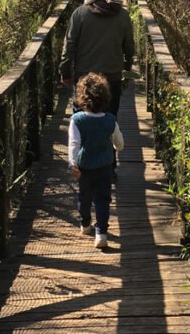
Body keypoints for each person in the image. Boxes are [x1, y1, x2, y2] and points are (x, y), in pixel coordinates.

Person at [59, 0, 135, 177]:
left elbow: (68, 48)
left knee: (82, 121)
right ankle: (108, 168)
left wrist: (65, 73)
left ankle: (84, 169)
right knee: (110, 121)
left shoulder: (79, 14)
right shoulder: (123, 15)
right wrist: (125, 72)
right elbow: (129, 49)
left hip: (85, 81)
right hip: (112, 79)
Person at [68, 73, 125, 249]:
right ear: (106, 98)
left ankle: (85, 224)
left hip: (84, 166)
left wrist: (73, 163)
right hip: (105, 166)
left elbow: (74, 143)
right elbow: (120, 144)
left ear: (82, 98)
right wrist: (115, 146)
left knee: (84, 197)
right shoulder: (110, 120)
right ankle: (101, 233)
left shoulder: (77, 120)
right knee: (102, 199)